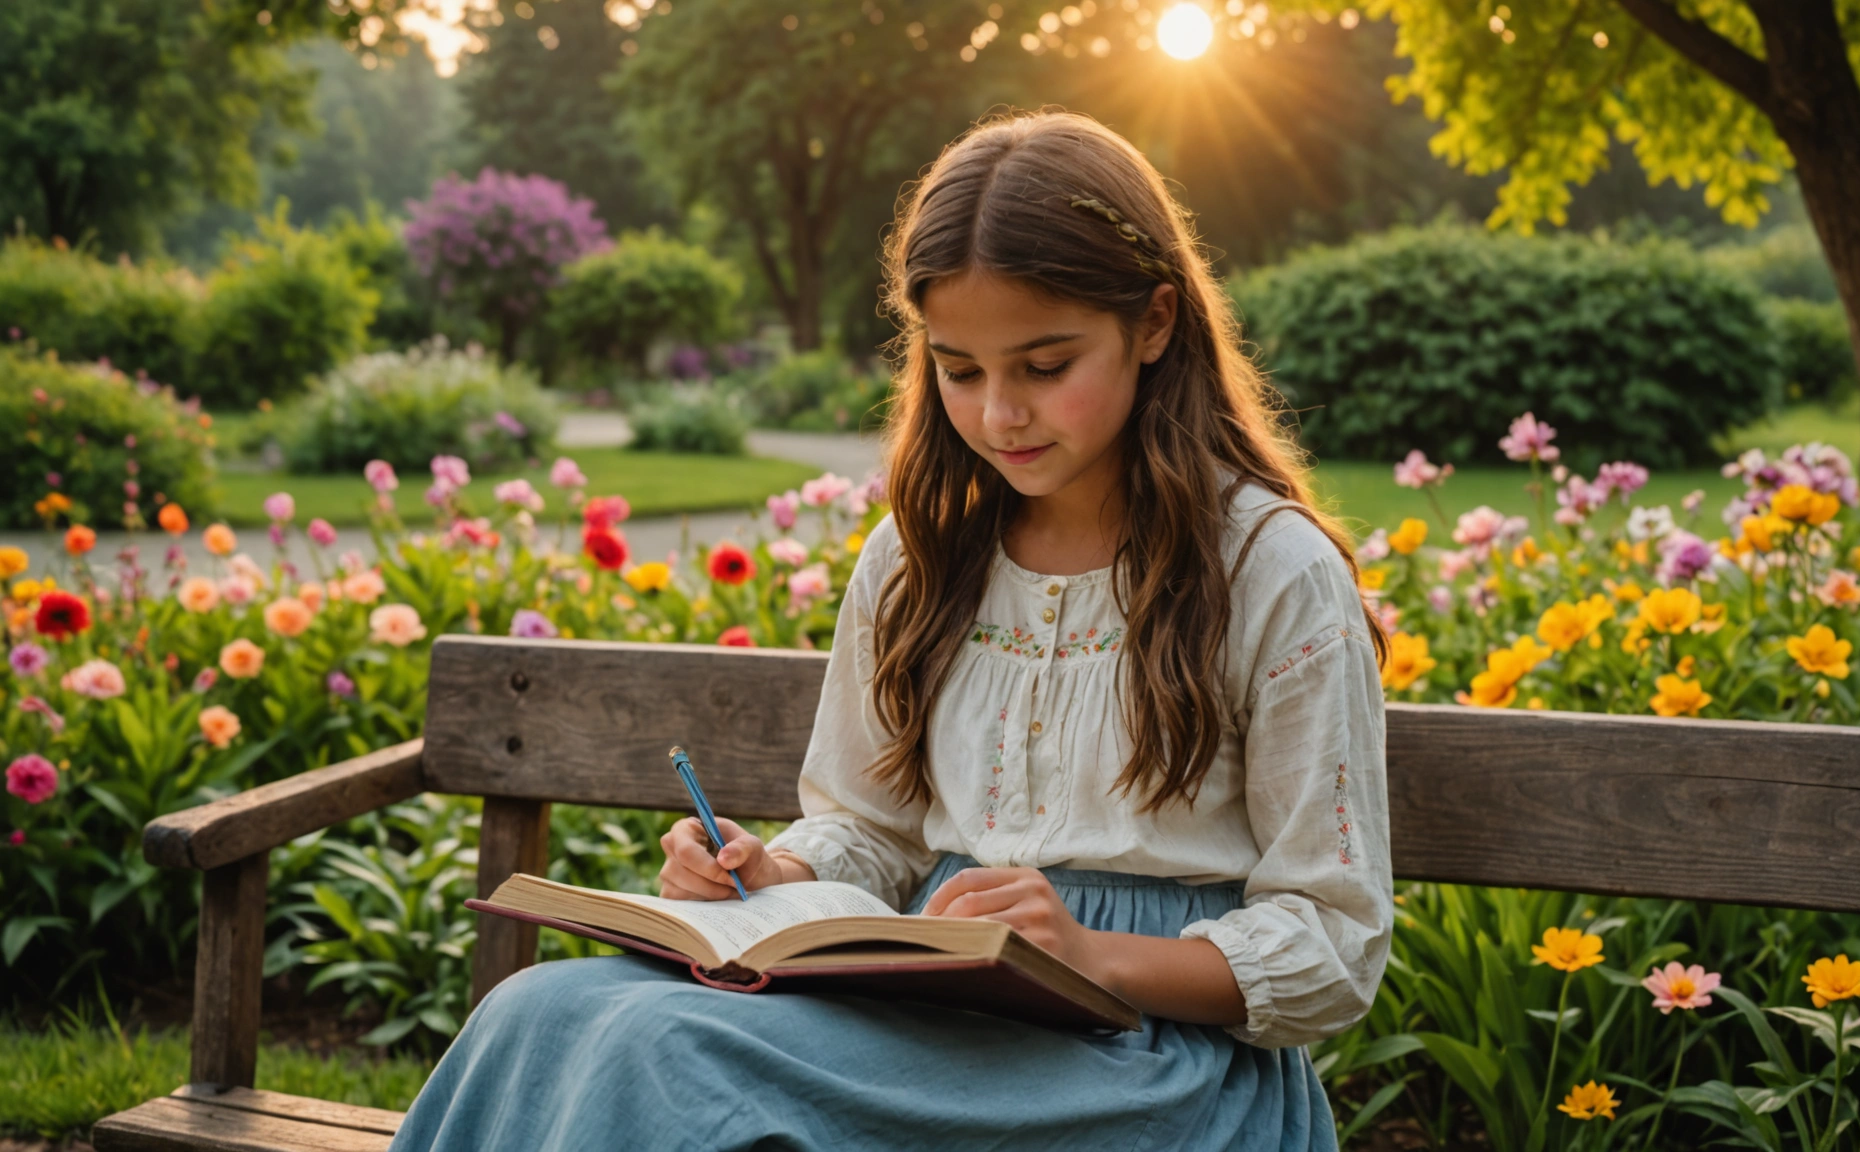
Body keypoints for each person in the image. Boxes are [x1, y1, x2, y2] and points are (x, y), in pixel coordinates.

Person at [388, 109, 1392, 1151]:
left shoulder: (1269, 574)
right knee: (536, 1011)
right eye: (960, 371)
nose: (1000, 414)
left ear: (1154, 324)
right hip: (931, 1020)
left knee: (672, 1062)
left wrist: (1085, 952)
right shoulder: (920, 559)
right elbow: (870, 828)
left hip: (1154, 1064)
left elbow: (1335, 943)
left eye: (1044, 366)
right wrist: (776, 873)